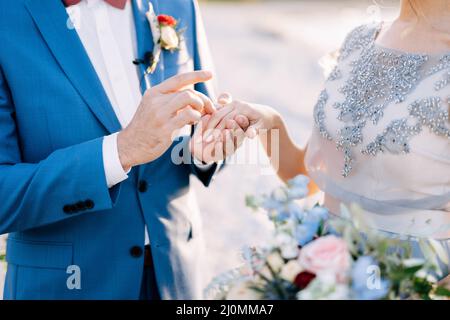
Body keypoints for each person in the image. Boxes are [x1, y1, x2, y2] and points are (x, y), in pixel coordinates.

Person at [0, 0, 245, 299]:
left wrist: (206, 150)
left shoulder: (180, 5)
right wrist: (120, 151)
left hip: (177, 279)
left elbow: (202, 118)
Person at [211, 0, 450, 274]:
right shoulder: (359, 40)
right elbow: (304, 177)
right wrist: (269, 122)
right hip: (319, 264)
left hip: (411, 277)